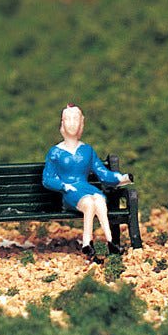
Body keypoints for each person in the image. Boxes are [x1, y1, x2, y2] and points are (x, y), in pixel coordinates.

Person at [42, 104, 131, 260]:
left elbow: (102, 172)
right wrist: (63, 185)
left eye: (76, 119)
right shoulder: (55, 152)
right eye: (68, 119)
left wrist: (120, 178)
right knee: (89, 203)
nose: (72, 123)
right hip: (70, 192)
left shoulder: (87, 150)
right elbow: (47, 179)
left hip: (86, 187)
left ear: (81, 123)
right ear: (62, 123)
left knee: (100, 201)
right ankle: (86, 243)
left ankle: (111, 242)